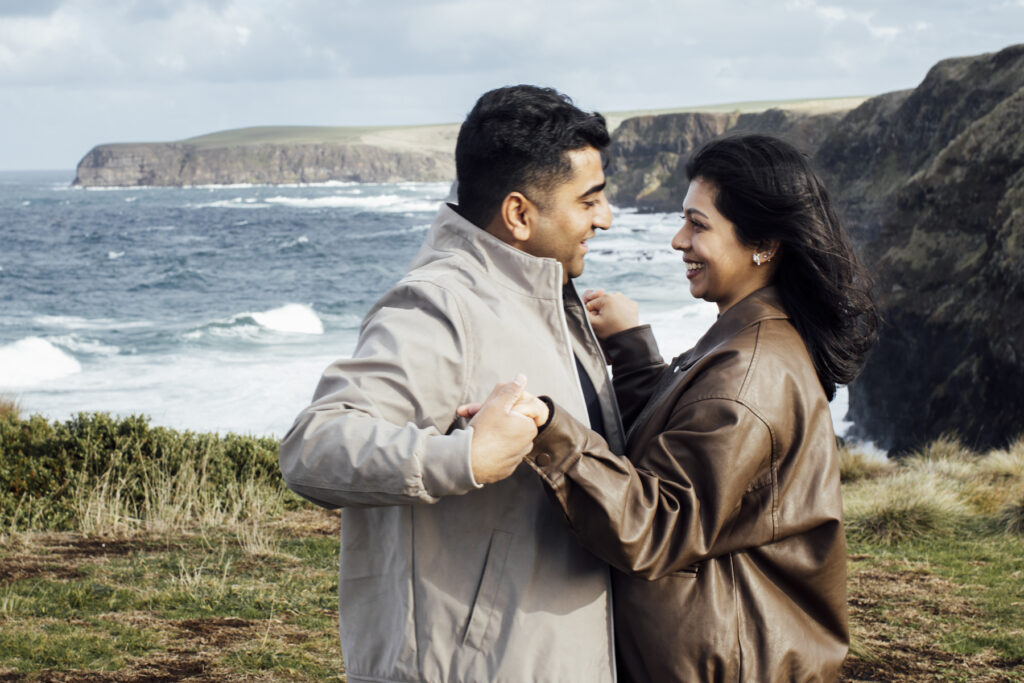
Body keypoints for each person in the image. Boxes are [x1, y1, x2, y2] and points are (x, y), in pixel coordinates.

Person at [464, 133, 878, 681]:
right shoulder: (747, 341)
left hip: (726, 667)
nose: (678, 240)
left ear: (765, 244)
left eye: (698, 225)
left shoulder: (749, 373)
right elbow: (684, 444)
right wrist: (633, 352)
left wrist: (549, 428)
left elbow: (658, 525)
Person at [278, 85, 625, 683]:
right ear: (519, 215)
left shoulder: (544, 297)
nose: (606, 218)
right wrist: (464, 457)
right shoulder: (439, 307)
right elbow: (313, 447)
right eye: (588, 200)